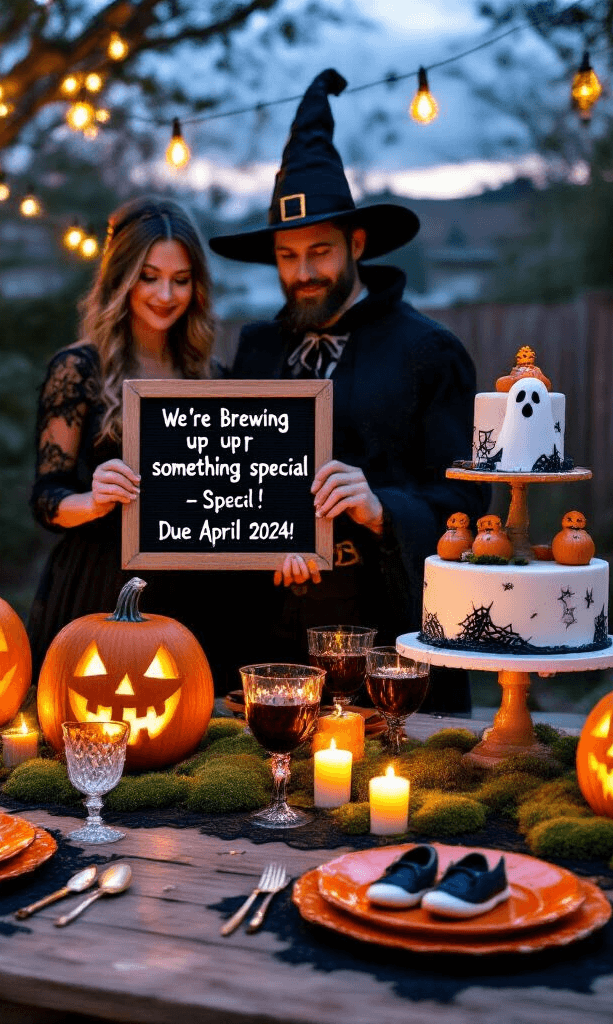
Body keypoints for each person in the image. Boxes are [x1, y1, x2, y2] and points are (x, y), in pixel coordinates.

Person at [209, 69, 489, 712]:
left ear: (355, 243)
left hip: (389, 638)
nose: (303, 273)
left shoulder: (430, 353)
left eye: (320, 252)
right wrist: (257, 534)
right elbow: (221, 475)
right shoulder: (256, 350)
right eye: (287, 256)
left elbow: (470, 507)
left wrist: (380, 507)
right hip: (266, 637)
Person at [28, 196, 219, 677]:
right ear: (121, 278)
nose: (165, 295)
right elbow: (45, 497)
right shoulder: (78, 369)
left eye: (181, 280)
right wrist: (93, 500)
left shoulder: (210, 375)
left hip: (195, 593)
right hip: (101, 585)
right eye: (148, 276)